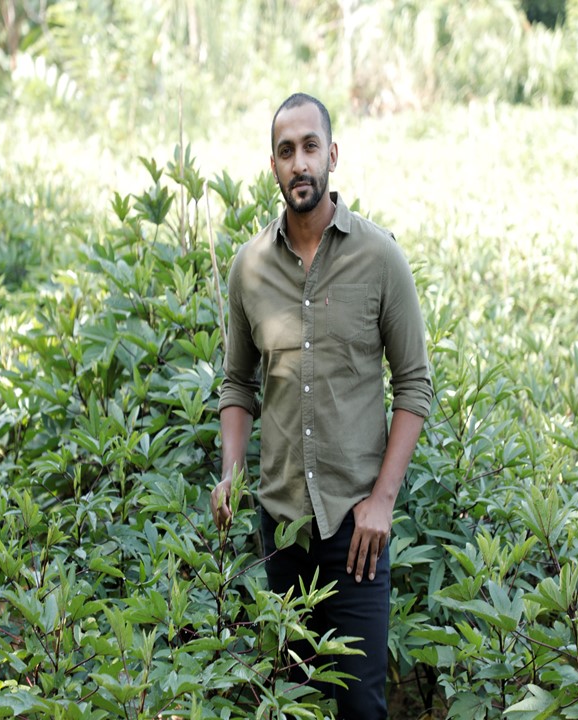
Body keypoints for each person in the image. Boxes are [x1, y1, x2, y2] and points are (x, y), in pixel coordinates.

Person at [211, 92, 432, 719]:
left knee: (360, 708)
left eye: (311, 147)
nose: (299, 162)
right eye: (286, 151)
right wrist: (231, 472)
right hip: (281, 528)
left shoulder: (380, 257)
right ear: (273, 166)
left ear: (332, 155)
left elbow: (414, 383)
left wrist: (382, 503)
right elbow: (237, 384)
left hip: (356, 529)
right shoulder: (248, 269)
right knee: (294, 704)